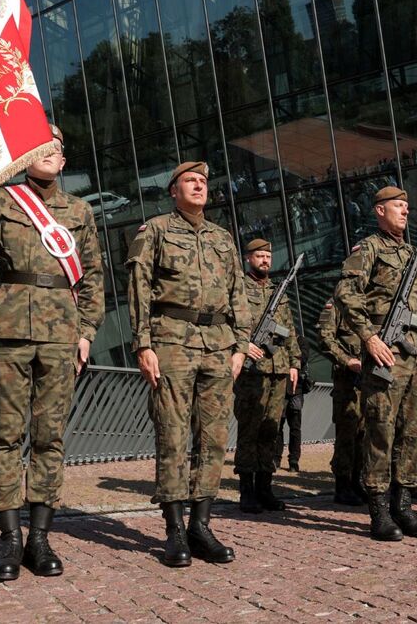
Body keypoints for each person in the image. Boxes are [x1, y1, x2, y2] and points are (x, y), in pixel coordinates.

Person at [0, 125, 105, 581]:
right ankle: (9, 536)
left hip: (61, 332)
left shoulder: (79, 210)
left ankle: (39, 537)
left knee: (49, 436)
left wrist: (87, 331)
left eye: (55, 149)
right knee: (4, 434)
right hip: (7, 328)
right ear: (24, 155)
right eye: (39, 145)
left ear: (63, 161)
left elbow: (94, 276)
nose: (47, 153)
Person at [125, 161, 251, 567]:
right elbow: (139, 287)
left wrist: (240, 346)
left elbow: (239, 293)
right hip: (171, 341)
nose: (198, 186)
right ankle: (174, 530)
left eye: (202, 182)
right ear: (173, 191)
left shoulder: (222, 237)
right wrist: (142, 343)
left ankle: (201, 525)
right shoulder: (156, 229)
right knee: (174, 435)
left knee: (213, 438)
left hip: (218, 344)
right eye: (189, 182)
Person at [334, 186, 417, 541]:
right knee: (381, 429)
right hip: (385, 354)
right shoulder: (369, 249)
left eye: (407, 206)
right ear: (379, 210)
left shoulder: (414, 256)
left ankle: (404, 505)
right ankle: (379, 510)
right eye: (398, 206)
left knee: (412, 432)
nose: (405, 211)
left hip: (416, 355)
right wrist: (369, 337)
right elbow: (347, 295)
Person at [233, 238, 300, 513]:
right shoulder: (238, 288)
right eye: (259, 256)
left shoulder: (278, 290)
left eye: (267, 256)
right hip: (252, 371)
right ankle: (247, 491)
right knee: (250, 429)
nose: (265, 260)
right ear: (248, 258)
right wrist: (242, 345)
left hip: (279, 369)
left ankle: (265, 488)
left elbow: (290, 329)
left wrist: (295, 363)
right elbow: (228, 321)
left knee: (271, 430)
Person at [317, 296, 367, 506]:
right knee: (347, 436)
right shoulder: (336, 304)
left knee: (364, 435)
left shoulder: (371, 301)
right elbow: (324, 338)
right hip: (347, 381)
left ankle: (357, 482)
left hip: (370, 381)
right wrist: (347, 361)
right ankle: (343, 486)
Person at [276, 336, 312, 472]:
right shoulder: (280, 340)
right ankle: (276, 458)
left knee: (295, 427)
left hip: (296, 390)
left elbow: (302, 358)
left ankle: (293, 461)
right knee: (278, 426)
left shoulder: (301, 341)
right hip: (281, 389)